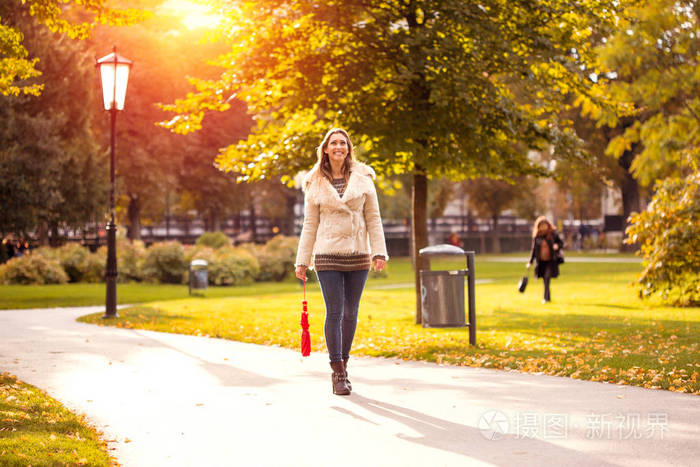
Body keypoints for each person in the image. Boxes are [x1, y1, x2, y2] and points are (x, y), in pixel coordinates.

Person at [295, 128, 388, 396]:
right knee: (334, 311)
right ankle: (337, 372)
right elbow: (310, 224)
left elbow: (373, 217)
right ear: (325, 149)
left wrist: (378, 252)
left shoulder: (364, 178)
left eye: (343, 143)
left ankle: (344, 363)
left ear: (348, 148)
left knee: (351, 312)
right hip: (327, 255)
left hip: (359, 253)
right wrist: (302, 261)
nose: (339, 147)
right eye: (333, 143)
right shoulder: (314, 182)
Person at [526, 216, 564, 303]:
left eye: (544, 225)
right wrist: (530, 262)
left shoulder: (553, 234)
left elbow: (561, 243)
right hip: (541, 262)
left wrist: (557, 246)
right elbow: (534, 251)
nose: (543, 227)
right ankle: (547, 297)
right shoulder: (537, 237)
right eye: (541, 225)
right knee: (545, 280)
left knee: (547, 277)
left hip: (551, 261)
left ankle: (546, 298)